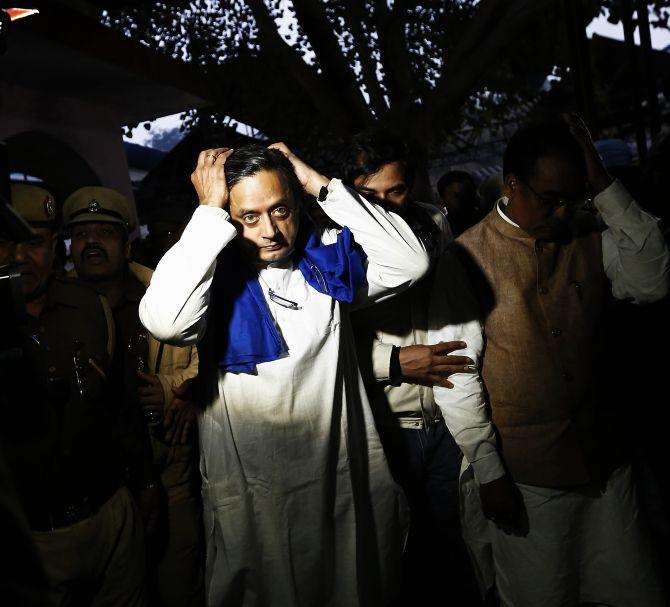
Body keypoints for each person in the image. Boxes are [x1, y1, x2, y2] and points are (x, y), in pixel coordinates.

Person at [139, 142, 431, 606]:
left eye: (280, 210)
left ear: (298, 204)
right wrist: (209, 212)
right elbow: (166, 321)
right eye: (248, 217)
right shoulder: (208, 281)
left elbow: (410, 262)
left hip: (339, 479)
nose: (271, 231)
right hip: (255, 495)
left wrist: (315, 181)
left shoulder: (328, 264)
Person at [429, 116, 669, 606]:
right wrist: (489, 471)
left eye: (572, 197)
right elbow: (457, 376)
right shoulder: (466, 257)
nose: (563, 211)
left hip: (608, 461)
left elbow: (652, 281)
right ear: (513, 183)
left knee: (629, 588)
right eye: (550, 198)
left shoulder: (590, 233)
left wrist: (603, 184)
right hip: (527, 477)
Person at [0, 183, 156, 606]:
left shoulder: (89, 307)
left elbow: (119, 407)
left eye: (32, 243)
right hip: (36, 541)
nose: (18, 257)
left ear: (54, 248)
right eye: (5, 243)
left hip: (111, 518)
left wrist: (144, 487)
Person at [342, 130, 481, 604]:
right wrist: (394, 361)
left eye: (395, 190)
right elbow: (319, 347)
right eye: (368, 195)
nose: (383, 205)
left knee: (452, 550)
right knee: (394, 560)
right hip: (385, 426)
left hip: (445, 419)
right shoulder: (330, 245)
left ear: (415, 185)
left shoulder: (434, 225)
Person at [62, 186, 204, 607]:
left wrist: (180, 389)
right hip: (96, 491)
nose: (91, 243)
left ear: (127, 244)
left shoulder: (167, 294)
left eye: (104, 232)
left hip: (170, 470)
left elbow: (212, 357)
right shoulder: (54, 306)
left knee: (180, 586)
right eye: (82, 233)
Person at [436, 169, 483, 236]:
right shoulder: (443, 231)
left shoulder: (487, 219)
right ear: (442, 200)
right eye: (456, 196)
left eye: (468, 194)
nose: (465, 199)